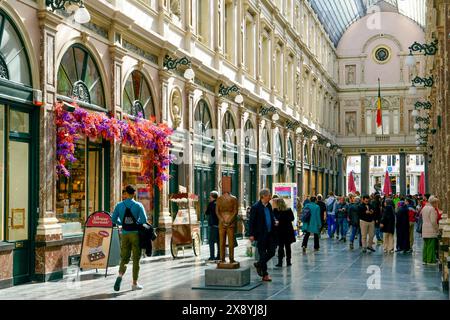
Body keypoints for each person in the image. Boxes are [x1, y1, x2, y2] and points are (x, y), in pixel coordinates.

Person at [112, 185, 148, 291]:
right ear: (134, 194)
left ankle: (120, 276)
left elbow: (113, 219)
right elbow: (144, 219)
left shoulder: (119, 205)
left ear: (126, 194)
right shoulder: (138, 205)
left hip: (125, 234)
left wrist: (122, 223)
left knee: (124, 257)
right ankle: (134, 283)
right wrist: (136, 223)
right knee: (136, 259)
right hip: (135, 234)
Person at [249, 189, 278, 282]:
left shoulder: (269, 205)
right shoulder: (256, 207)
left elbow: (270, 216)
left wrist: (274, 222)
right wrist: (251, 234)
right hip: (260, 234)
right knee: (262, 254)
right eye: (269, 195)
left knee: (272, 252)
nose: (270, 197)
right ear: (263, 196)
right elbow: (251, 221)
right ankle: (265, 275)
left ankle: (259, 264)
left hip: (270, 234)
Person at [216, 191, 239, 264]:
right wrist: (229, 220)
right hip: (230, 222)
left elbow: (217, 211)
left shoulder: (219, 199)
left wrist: (222, 220)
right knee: (231, 242)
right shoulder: (233, 198)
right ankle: (231, 259)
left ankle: (222, 259)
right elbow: (235, 211)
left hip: (222, 222)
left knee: (222, 241)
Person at [273, 198, 296, 267]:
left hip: (280, 230)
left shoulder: (276, 210)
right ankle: (288, 261)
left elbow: (275, 219)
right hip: (288, 230)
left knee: (280, 246)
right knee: (288, 246)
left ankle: (280, 262)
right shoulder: (288, 210)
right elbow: (292, 218)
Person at [421, 196, 440, 265]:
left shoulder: (424, 208)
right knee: (431, 245)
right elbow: (433, 221)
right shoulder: (432, 209)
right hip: (431, 229)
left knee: (426, 245)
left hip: (424, 228)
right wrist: (437, 229)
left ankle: (425, 259)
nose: (437, 205)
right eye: (436, 203)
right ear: (433, 203)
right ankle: (430, 260)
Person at [205, 191, 219, 261]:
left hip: (213, 225)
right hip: (220, 225)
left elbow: (206, 213)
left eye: (210, 196)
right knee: (219, 241)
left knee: (211, 241)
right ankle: (219, 256)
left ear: (212, 197)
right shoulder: (220, 203)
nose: (209, 198)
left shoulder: (211, 204)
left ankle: (212, 256)